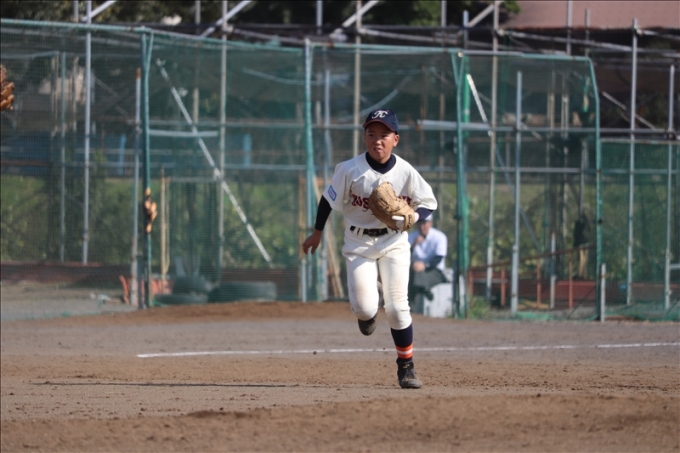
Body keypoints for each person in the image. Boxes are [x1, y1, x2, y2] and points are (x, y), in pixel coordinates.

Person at [302, 108, 437, 389]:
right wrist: (317, 232)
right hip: (359, 243)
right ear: (364, 137)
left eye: (384, 134)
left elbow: (428, 203)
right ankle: (370, 304)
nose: (377, 140)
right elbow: (328, 201)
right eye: (371, 133)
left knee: (398, 307)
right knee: (364, 309)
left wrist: (414, 216)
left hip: (394, 241)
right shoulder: (349, 169)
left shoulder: (406, 172)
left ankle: (406, 367)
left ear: (395, 139)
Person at [408, 214, 448, 313]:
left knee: (415, 279)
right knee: (414, 275)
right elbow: (404, 256)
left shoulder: (440, 237)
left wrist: (425, 265)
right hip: (414, 270)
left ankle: (413, 309)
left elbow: (439, 258)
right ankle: (424, 289)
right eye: (419, 223)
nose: (422, 226)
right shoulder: (411, 237)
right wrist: (414, 245)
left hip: (434, 272)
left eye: (424, 223)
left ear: (430, 223)